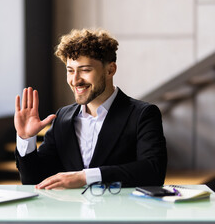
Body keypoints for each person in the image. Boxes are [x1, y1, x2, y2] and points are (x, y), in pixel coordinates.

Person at [14, 28, 167, 189]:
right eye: (70, 71)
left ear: (110, 70)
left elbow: (153, 172)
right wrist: (26, 139)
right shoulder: (63, 118)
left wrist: (86, 177)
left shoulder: (143, 114)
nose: (75, 80)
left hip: (120, 213)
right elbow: (34, 180)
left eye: (85, 70)